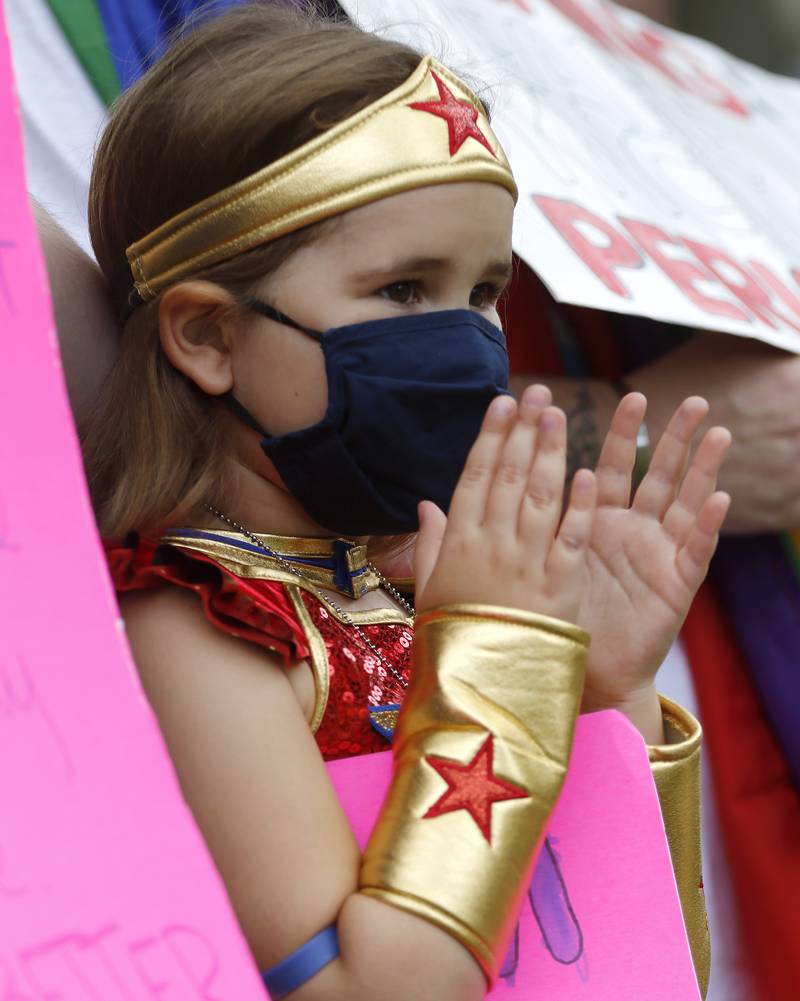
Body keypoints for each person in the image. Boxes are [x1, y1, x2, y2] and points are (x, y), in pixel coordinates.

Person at [76, 4, 731, 998]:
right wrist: (501, 659)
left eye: (480, 294)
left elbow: (640, 964)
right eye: (402, 290)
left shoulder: (407, 585)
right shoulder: (198, 622)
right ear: (207, 336)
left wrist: (606, 688)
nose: (465, 343)